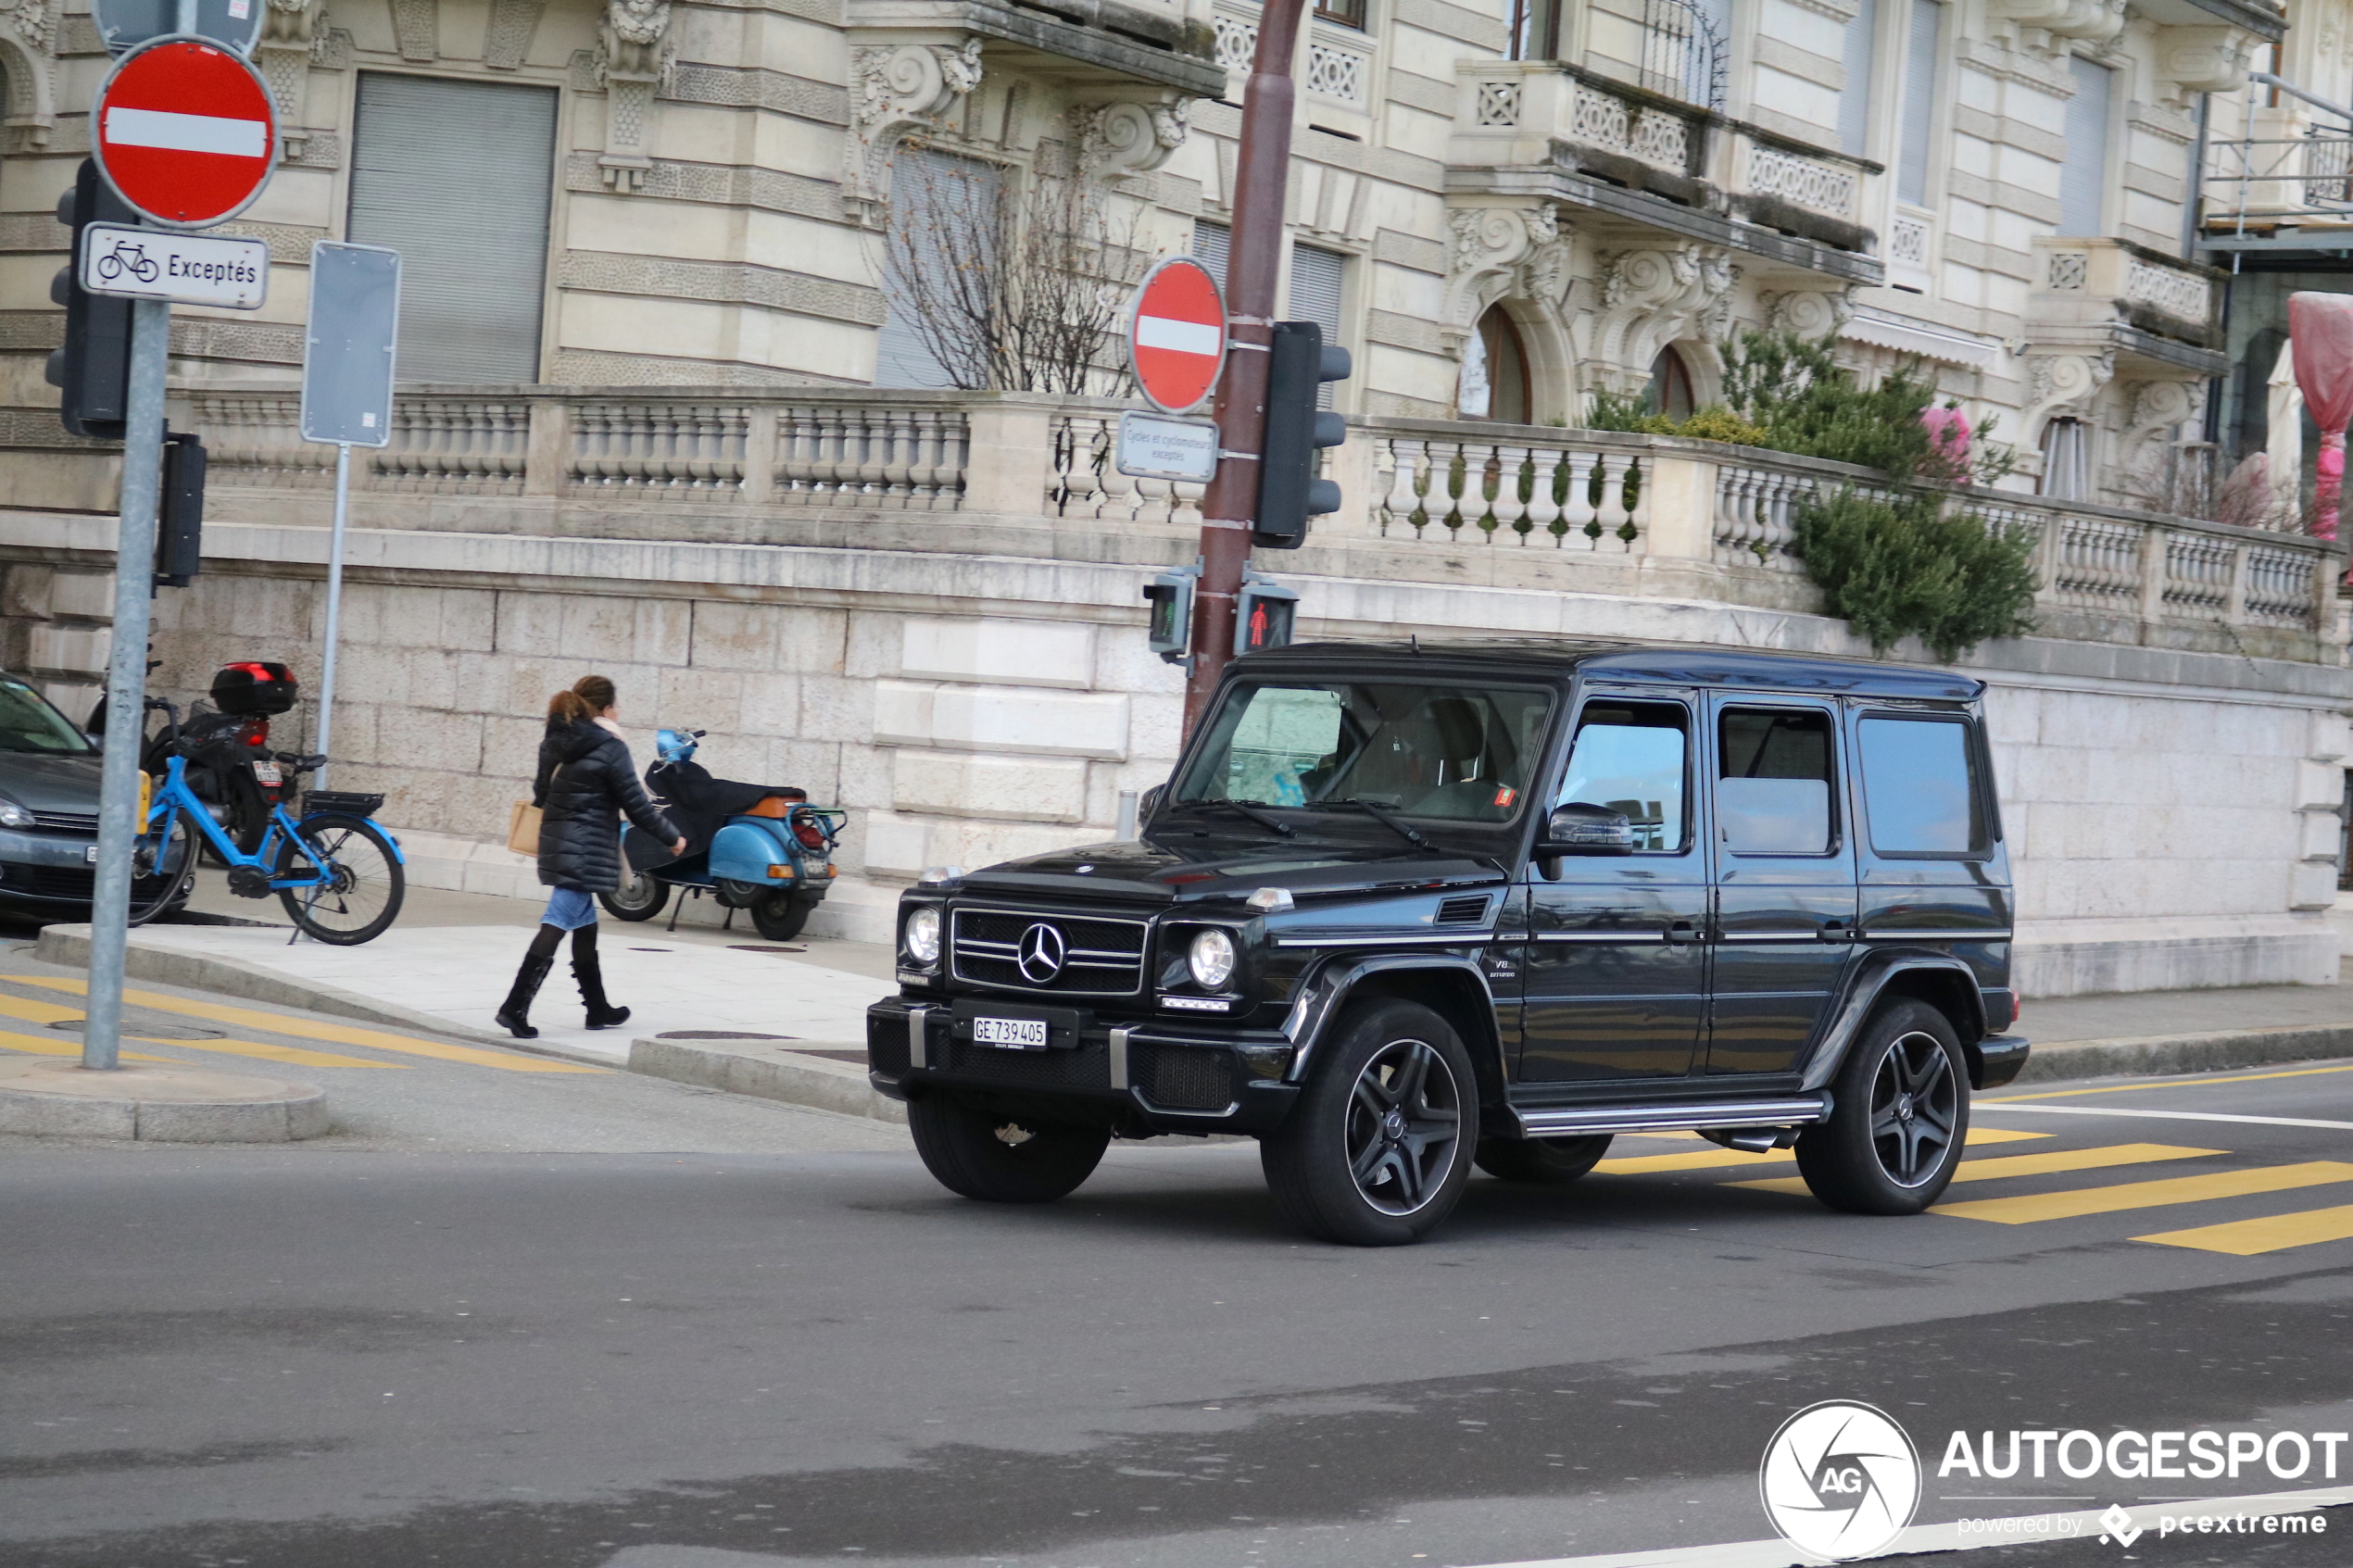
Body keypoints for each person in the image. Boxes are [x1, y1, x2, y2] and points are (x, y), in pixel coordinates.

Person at [497, 675, 685, 1038]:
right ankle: (514, 1007)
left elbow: (541, 791)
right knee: (556, 921)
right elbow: (637, 806)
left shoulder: (556, 740)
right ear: (606, 708)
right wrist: (672, 837)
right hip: (587, 848)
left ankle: (597, 1007)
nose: (620, 711)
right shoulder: (611, 747)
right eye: (617, 705)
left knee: (584, 925)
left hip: (559, 842)